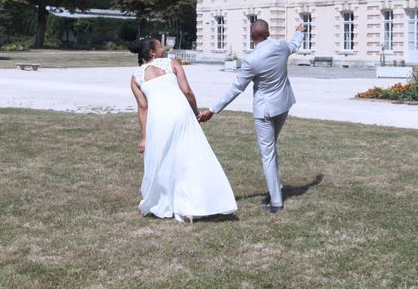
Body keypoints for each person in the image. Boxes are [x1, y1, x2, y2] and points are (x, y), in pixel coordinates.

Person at [198, 20, 305, 213]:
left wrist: (213, 110)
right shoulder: (281, 46)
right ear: (269, 32)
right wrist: (299, 31)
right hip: (283, 105)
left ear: (251, 36)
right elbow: (295, 44)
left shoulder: (251, 60)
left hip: (265, 111)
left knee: (268, 154)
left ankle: (276, 202)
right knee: (271, 150)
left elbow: (236, 88)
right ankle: (276, 189)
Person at [129, 37, 237, 223]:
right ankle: (193, 204)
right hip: (180, 113)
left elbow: (142, 108)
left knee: (164, 160)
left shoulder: (135, 77)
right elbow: (187, 91)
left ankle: (167, 202)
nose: (164, 48)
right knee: (190, 156)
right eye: (160, 46)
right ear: (153, 52)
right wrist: (196, 113)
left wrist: (144, 137)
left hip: (158, 120)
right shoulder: (172, 63)